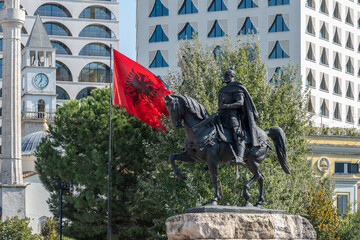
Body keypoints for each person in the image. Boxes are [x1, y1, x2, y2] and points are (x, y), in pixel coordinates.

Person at [218, 67, 260, 165]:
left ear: (232, 76)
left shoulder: (238, 88)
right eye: (226, 76)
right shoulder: (222, 89)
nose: (226, 78)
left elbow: (240, 103)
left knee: (238, 133)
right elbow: (220, 103)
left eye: (228, 76)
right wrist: (222, 106)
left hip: (234, 115)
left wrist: (227, 106)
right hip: (221, 114)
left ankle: (240, 157)